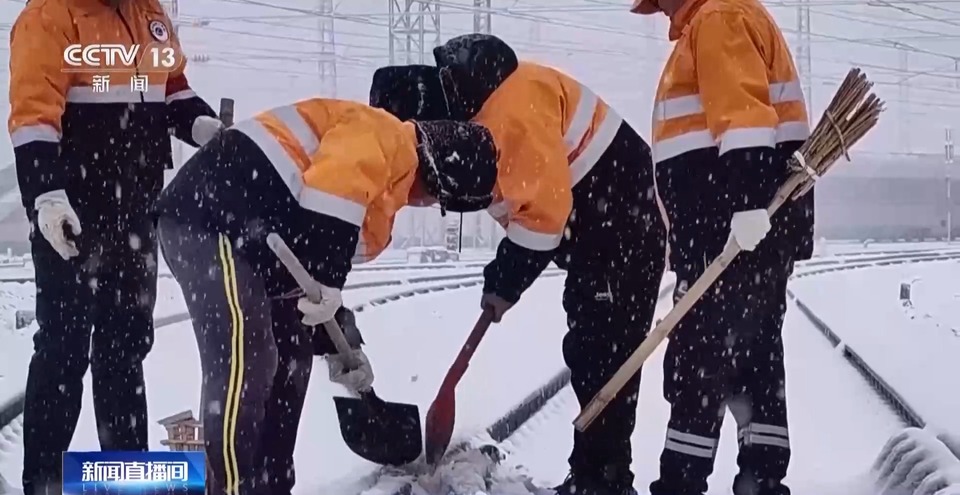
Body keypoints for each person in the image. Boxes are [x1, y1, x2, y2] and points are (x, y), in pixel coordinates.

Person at [371, 34, 668, 495]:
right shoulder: (482, 110)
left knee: (604, 360)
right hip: (600, 230)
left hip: (623, 228)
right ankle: (595, 478)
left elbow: (543, 219)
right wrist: (502, 279)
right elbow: (529, 209)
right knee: (593, 350)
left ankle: (603, 484)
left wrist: (504, 281)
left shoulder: (506, 118)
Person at [154, 98, 498, 495]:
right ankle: (232, 487)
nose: (430, 204)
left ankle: (272, 484)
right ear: (439, 178)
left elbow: (311, 268)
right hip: (207, 220)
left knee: (293, 357)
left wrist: (343, 342)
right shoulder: (384, 136)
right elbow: (331, 200)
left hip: (257, 243)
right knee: (249, 357)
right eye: (440, 199)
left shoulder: (382, 191)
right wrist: (329, 282)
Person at [7, 0, 222, 493]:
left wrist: (199, 124)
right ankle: (44, 482)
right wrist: (47, 197)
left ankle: (126, 477)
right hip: (73, 212)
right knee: (63, 349)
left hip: (136, 208)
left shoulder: (147, 13)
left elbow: (170, 90)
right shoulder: (50, 16)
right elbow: (34, 113)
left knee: (124, 350)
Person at [628, 0, 815, 492]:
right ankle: (762, 480)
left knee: (698, 366)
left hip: (731, 233)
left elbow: (745, 119)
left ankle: (682, 485)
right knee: (754, 363)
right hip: (740, 232)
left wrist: (749, 206)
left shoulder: (718, 19)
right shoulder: (714, 20)